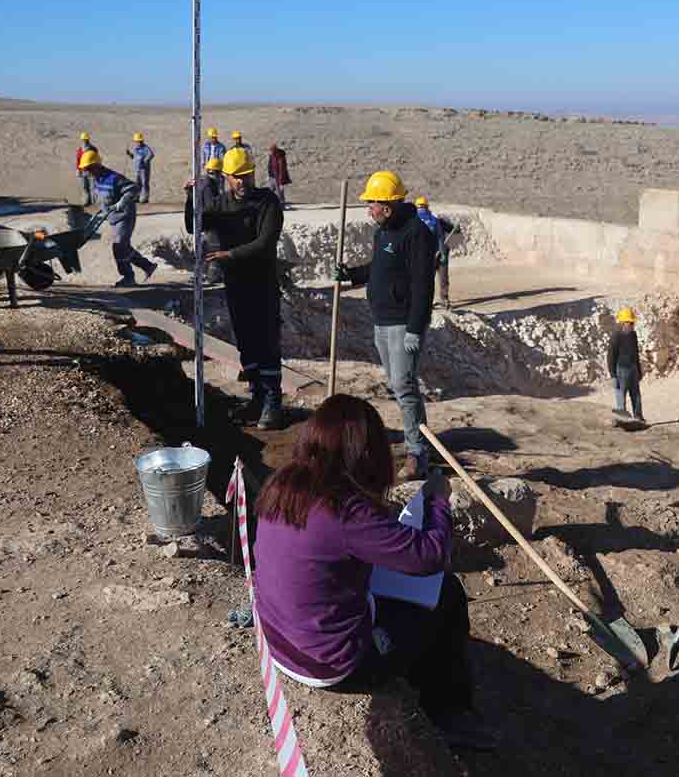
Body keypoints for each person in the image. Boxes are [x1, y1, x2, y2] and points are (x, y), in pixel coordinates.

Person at [253, 395, 495, 750]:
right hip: (331, 663)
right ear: (366, 453)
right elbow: (430, 556)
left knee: (396, 589)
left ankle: (420, 674)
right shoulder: (344, 510)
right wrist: (439, 499)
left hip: (279, 641)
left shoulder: (283, 484)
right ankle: (448, 712)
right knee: (448, 595)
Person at [337, 171, 438, 480]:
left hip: (402, 324)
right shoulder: (383, 232)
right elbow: (379, 268)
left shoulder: (416, 234)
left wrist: (415, 328)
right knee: (398, 386)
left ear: (388, 206)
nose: (369, 209)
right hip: (381, 321)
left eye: (372, 204)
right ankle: (417, 445)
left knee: (404, 388)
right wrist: (352, 274)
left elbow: (423, 286)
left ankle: (417, 454)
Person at [184, 148, 286, 428]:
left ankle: (272, 403)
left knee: (266, 342)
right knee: (246, 343)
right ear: (227, 177)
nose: (242, 181)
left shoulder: (268, 202)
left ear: (253, 173)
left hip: (262, 284)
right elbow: (195, 225)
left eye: (246, 175)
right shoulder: (221, 204)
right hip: (236, 285)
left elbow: (264, 244)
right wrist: (190, 198)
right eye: (236, 177)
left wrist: (229, 255)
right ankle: (256, 397)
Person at [80, 149, 157, 286]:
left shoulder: (114, 178)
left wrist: (122, 202)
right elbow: (104, 198)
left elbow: (134, 189)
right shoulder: (97, 180)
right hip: (113, 218)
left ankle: (129, 278)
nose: (88, 172)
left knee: (119, 246)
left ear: (96, 165)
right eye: (86, 169)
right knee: (123, 247)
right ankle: (147, 266)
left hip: (124, 216)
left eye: (89, 168)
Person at [414, 196, 456, 310]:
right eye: (421, 207)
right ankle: (439, 300)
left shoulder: (431, 220)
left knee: (433, 279)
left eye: (422, 207)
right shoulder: (433, 220)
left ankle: (438, 300)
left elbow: (442, 235)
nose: (422, 209)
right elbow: (442, 236)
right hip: (434, 254)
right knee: (437, 278)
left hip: (432, 254)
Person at [607, 306, 645, 421]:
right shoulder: (615, 337)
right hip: (621, 370)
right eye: (630, 323)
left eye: (633, 323)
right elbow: (610, 357)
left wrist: (638, 370)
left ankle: (638, 418)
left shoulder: (633, 335)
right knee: (621, 396)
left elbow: (636, 353)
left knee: (636, 395)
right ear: (623, 323)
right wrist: (613, 376)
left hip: (632, 368)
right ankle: (622, 420)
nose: (632, 325)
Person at [125, 132, 155, 203]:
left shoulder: (146, 148)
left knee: (144, 183)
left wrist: (145, 161)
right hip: (137, 169)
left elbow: (151, 155)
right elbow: (134, 158)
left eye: (139, 141)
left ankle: (145, 198)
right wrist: (129, 154)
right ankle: (137, 197)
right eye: (136, 141)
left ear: (141, 141)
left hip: (144, 170)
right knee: (137, 183)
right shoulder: (136, 149)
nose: (138, 143)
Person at [266, 140, 292, 207]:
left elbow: (281, 170)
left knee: (279, 191)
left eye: (271, 150)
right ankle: (274, 205)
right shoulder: (272, 156)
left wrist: (281, 182)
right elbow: (269, 165)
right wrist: (269, 175)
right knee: (272, 191)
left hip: (278, 177)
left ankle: (281, 205)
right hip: (272, 176)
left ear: (274, 150)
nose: (270, 152)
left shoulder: (280, 157)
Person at [76, 132, 97, 206]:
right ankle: (88, 201)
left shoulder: (93, 149)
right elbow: (78, 160)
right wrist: (78, 169)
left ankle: (94, 202)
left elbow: (96, 159)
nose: (85, 141)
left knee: (93, 187)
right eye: (84, 140)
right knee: (85, 187)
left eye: (85, 139)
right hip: (84, 171)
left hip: (91, 171)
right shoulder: (80, 150)